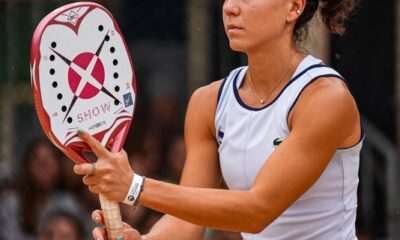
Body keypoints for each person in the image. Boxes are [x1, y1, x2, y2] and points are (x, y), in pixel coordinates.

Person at [73, 0, 361, 239]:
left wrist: (134, 186)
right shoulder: (207, 102)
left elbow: (257, 211)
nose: (230, 8)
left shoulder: (326, 99)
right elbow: (187, 224)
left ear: (294, 7)